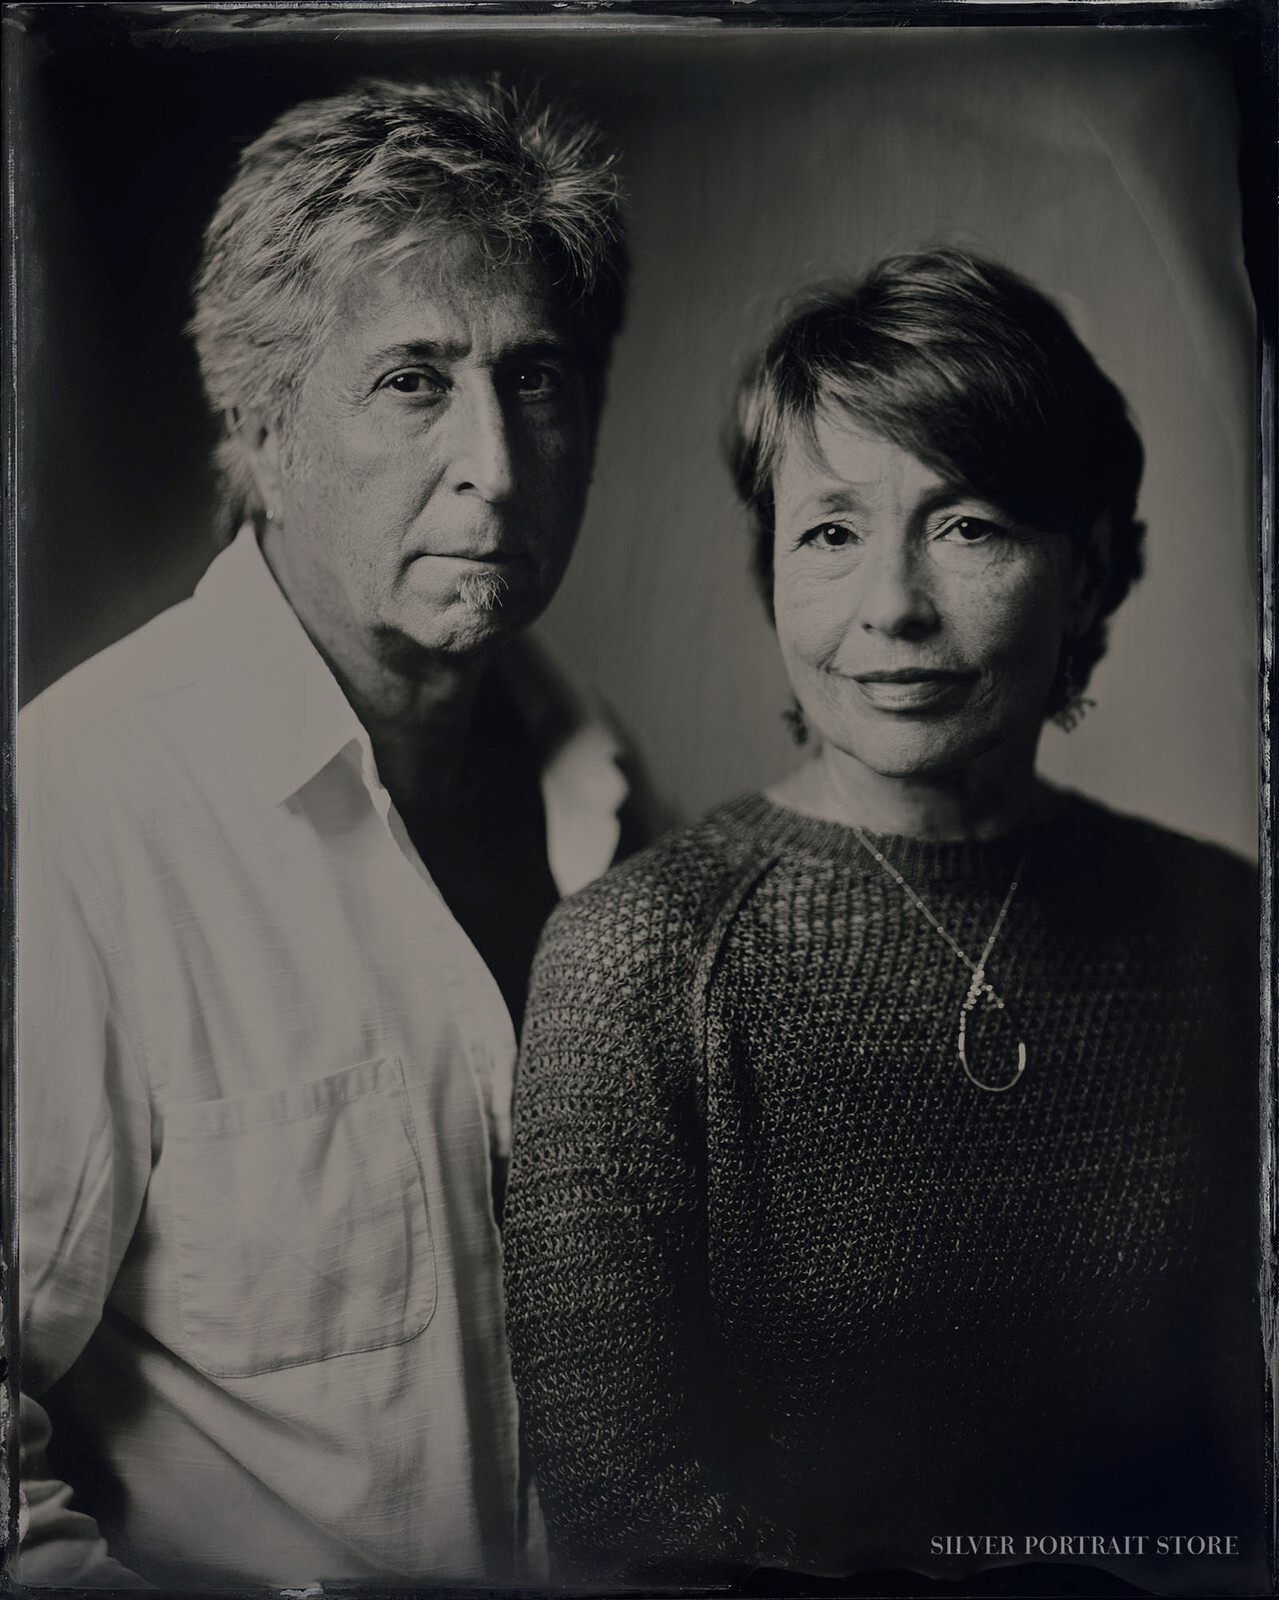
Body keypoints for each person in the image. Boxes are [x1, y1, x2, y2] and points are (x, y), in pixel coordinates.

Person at [503, 251, 1265, 1596]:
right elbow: (625, 1514)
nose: (893, 609)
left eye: (969, 526)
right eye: (831, 532)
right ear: (771, 575)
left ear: (1086, 572)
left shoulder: (1225, 934)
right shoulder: (639, 961)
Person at [17, 75, 643, 1589]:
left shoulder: (606, 796)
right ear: (260, 421)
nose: (495, 463)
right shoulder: (75, 814)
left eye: (538, 379)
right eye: (414, 379)